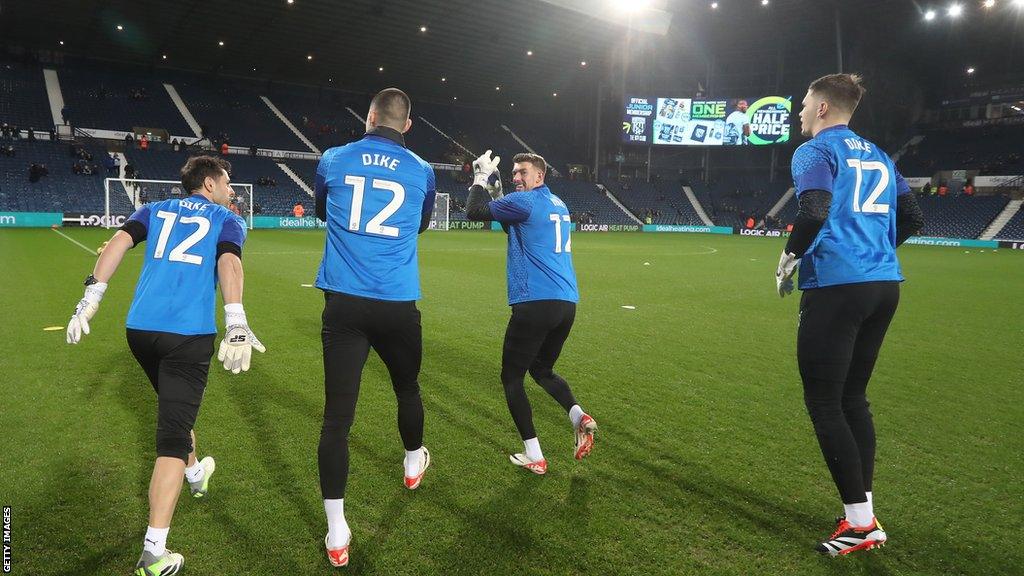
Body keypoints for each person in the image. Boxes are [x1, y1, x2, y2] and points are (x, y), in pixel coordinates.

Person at [64, 155, 265, 575]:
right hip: (186, 336)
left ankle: (195, 475)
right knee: (172, 437)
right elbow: (229, 262)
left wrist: (90, 300)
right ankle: (154, 551)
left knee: (175, 407)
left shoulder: (153, 209)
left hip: (140, 331)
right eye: (226, 182)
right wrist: (237, 321)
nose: (231, 190)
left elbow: (117, 242)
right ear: (209, 184)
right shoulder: (226, 219)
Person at [775, 73, 924, 557]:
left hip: (838, 284)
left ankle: (861, 525)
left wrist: (790, 257)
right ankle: (863, 513)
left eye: (803, 104)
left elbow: (814, 208)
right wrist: (875, 253)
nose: (799, 112)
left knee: (824, 402)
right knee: (853, 398)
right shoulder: (880, 154)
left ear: (822, 108)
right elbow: (915, 218)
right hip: (884, 285)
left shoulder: (815, 150)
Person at [313, 87, 436, 567]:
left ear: (368, 118)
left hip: (344, 304)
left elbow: (324, 210)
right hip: (397, 303)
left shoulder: (334, 158)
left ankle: (338, 532)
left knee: (337, 420)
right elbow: (421, 224)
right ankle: (411, 462)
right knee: (407, 388)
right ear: (407, 125)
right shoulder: (422, 170)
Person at [463, 150, 598, 476]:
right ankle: (579, 416)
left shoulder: (525, 202)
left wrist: (480, 179)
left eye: (522, 172)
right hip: (566, 305)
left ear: (540, 176)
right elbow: (515, 226)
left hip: (535, 302)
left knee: (511, 378)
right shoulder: (558, 204)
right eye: (514, 172)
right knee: (542, 370)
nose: (516, 177)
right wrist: (499, 193)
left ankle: (534, 453)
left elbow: (473, 212)